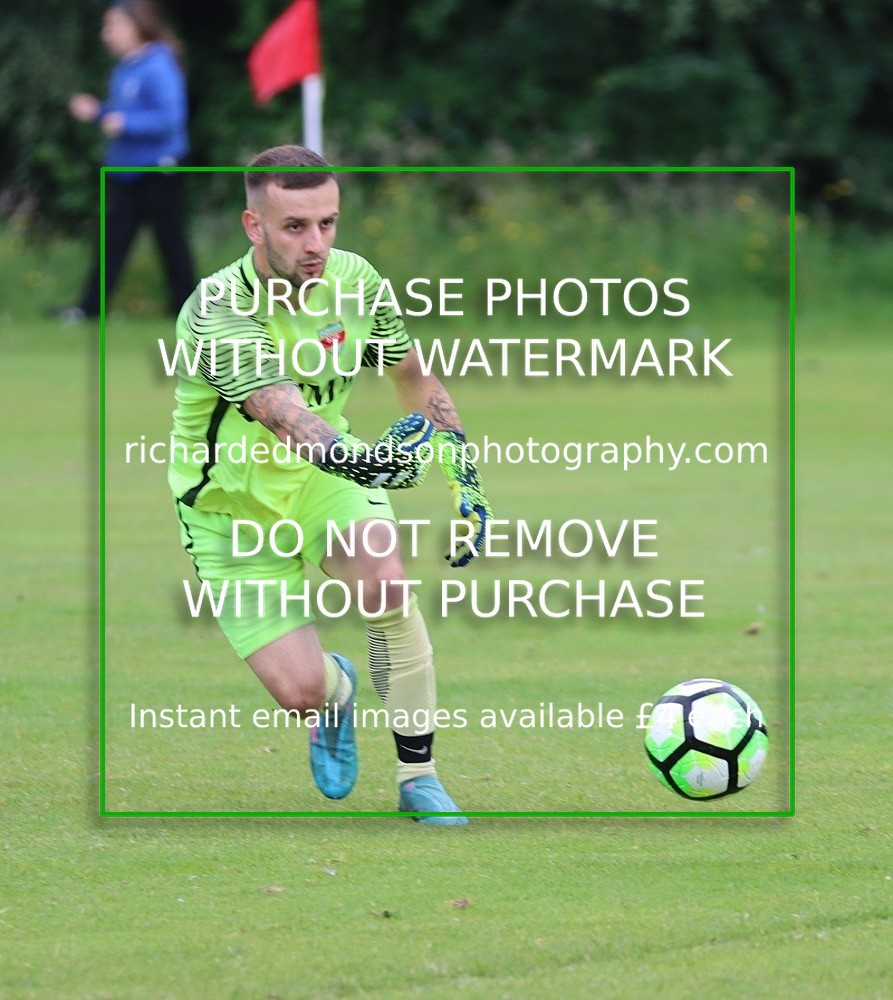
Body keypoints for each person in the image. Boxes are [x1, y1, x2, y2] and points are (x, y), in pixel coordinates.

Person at [167, 145, 493, 825]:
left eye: (328, 223)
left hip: (323, 486)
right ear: (253, 226)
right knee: (299, 691)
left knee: (384, 578)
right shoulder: (215, 310)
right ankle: (334, 693)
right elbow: (286, 415)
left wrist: (464, 474)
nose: (316, 243)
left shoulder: (358, 281)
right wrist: (370, 463)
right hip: (230, 513)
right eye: (294, 226)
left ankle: (418, 777)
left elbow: (411, 374)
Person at [56, 0, 195, 321]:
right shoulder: (125, 68)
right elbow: (125, 113)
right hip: (128, 172)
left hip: (160, 169)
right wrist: (99, 112)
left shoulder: (159, 63)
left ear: (137, 27)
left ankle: (187, 309)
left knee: (171, 241)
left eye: (114, 26)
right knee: (112, 241)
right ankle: (89, 309)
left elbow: (171, 118)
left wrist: (126, 124)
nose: (107, 35)